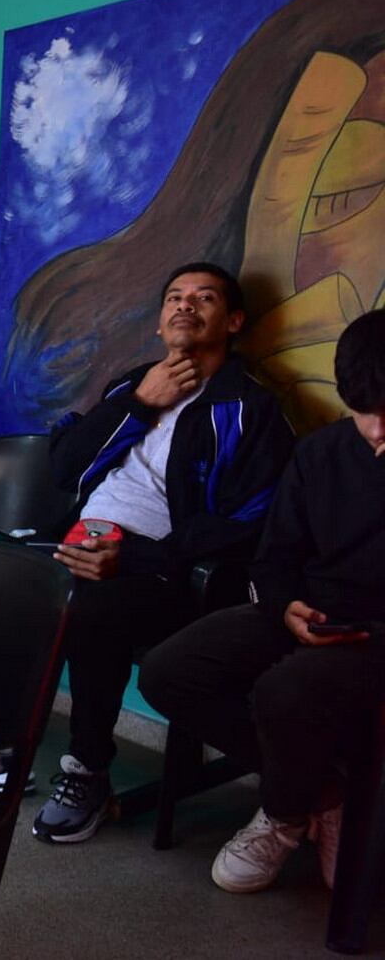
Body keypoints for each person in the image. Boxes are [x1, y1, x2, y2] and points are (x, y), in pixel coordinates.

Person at [29, 262, 294, 844]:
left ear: (234, 321)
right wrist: (141, 404)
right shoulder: (133, 384)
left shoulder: (249, 410)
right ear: (158, 323)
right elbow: (64, 466)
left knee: (93, 607)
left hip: (168, 572)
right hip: (80, 538)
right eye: (174, 297)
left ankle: (87, 768)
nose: (184, 306)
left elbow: (251, 522)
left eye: (203, 299)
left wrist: (136, 559)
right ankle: (0, 740)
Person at [138, 308, 385, 893]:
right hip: (309, 613)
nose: (376, 430)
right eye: (364, 410)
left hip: (375, 636)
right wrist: (283, 607)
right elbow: (275, 555)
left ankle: (279, 810)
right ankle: (318, 794)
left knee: (287, 690)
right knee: (169, 671)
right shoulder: (322, 454)